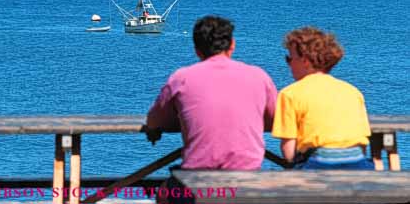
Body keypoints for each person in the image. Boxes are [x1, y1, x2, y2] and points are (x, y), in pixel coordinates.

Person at [146, 15, 277, 203]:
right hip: (247, 179)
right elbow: (276, 119)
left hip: (197, 180)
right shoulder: (259, 76)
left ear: (197, 50)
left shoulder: (181, 78)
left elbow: (154, 120)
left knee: (164, 194)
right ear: (232, 44)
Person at [272, 26, 374, 170]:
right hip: (356, 161)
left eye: (289, 58)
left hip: (318, 162)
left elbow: (288, 150)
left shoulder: (290, 94)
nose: (288, 64)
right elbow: (363, 144)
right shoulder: (352, 91)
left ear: (305, 61)